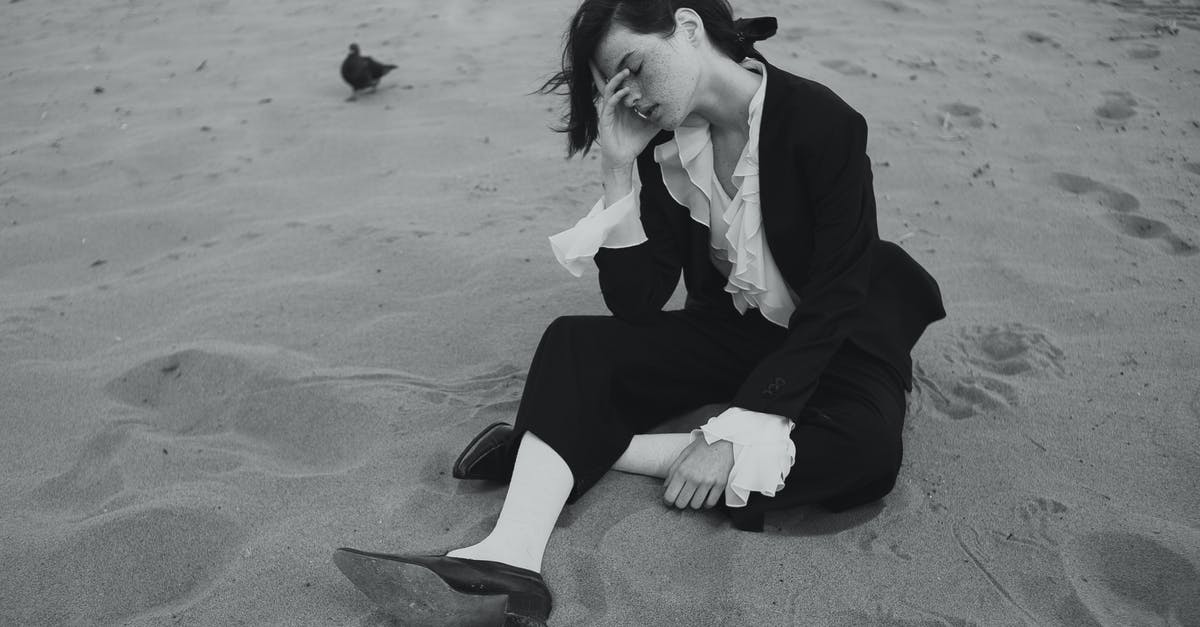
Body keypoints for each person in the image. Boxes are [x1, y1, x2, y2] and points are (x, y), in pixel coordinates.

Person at [333, 1, 946, 624]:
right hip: (735, 328)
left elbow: (838, 298)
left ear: (686, 28)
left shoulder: (822, 122)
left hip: (841, 338)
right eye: (613, 88)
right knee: (576, 345)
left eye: (634, 68)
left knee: (868, 453)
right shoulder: (668, 145)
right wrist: (618, 169)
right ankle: (507, 560)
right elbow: (637, 301)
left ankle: (569, 443)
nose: (634, 98)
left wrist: (731, 435)